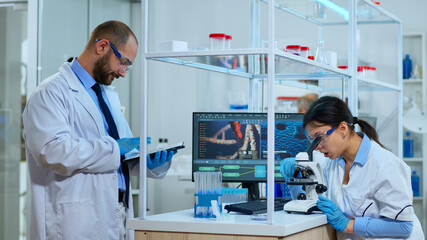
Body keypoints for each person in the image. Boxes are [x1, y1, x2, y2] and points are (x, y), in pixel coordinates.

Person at [23, 20, 176, 240]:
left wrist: (143, 162)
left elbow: (119, 155)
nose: (123, 72)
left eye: (128, 66)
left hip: (114, 212)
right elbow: (51, 151)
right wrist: (113, 147)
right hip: (73, 221)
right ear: (102, 46)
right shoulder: (51, 92)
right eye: (122, 62)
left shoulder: (107, 96)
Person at [280, 96, 424, 239]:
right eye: (311, 140)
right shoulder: (332, 162)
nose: (316, 147)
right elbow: (314, 201)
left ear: (342, 128)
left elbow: (403, 226)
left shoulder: (385, 164)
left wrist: (348, 225)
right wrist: (293, 177)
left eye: (319, 138)